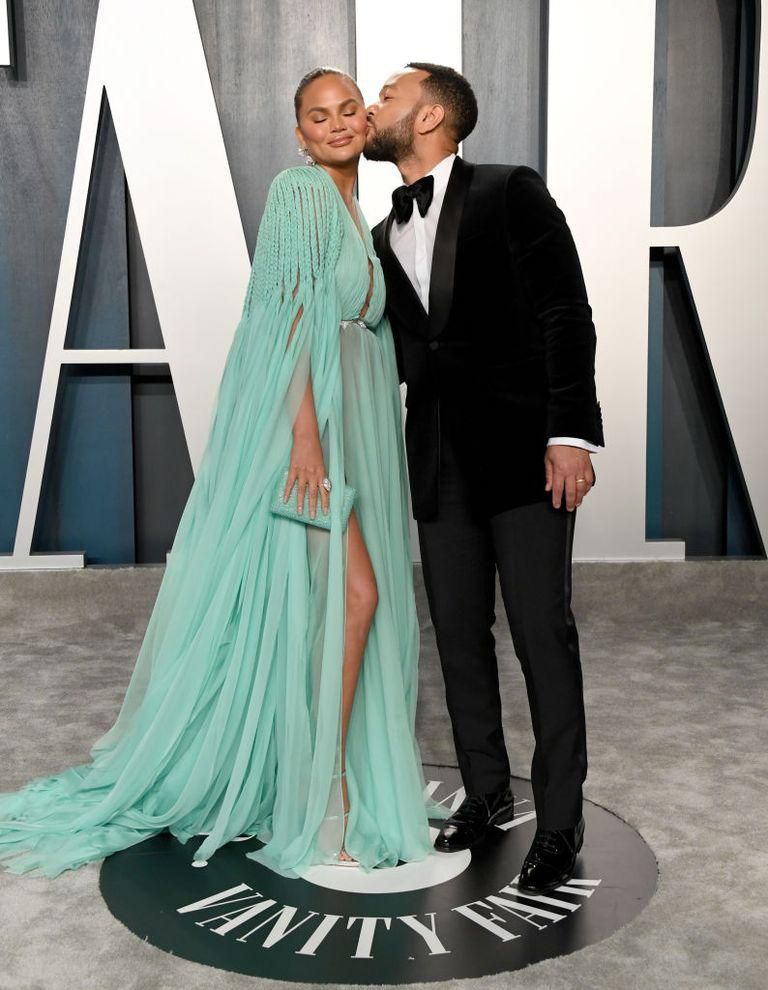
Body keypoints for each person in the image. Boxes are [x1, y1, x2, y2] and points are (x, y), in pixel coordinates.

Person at [0, 67, 446, 878]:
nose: (341, 123)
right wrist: (305, 437)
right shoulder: (299, 196)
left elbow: (364, 330)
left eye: (351, 109)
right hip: (312, 430)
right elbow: (286, 316)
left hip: (363, 424)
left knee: (330, 608)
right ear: (300, 134)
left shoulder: (362, 215)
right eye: (320, 115)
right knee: (354, 599)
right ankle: (326, 795)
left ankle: (310, 780)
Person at [365, 63, 605, 893]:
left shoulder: (510, 191)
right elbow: (403, 351)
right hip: (437, 461)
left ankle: (562, 822)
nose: (371, 106)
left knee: (544, 631)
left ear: (431, 114)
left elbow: (564, 312)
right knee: (458, 636)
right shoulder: (379, 234)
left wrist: (571, 432)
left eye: (387, 95)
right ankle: (487, 793)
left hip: (525, 453)